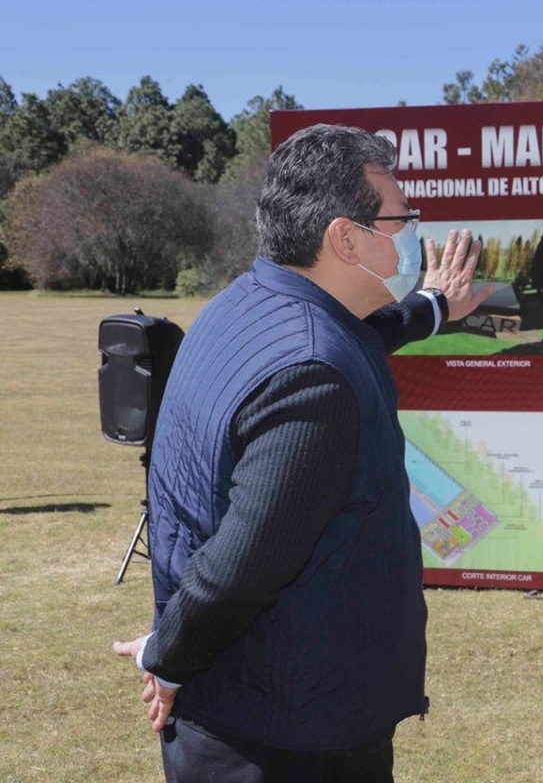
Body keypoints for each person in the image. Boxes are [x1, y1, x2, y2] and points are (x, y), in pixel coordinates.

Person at [111, 124, 493, 782]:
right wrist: (168, 659)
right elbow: (241, 567)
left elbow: (362, 334)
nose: (414, 235)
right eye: (403, 218)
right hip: (287, 742)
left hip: (252, 717)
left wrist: (433, 306)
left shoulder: (252, 304)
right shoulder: (314, 375)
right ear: (346, 236)